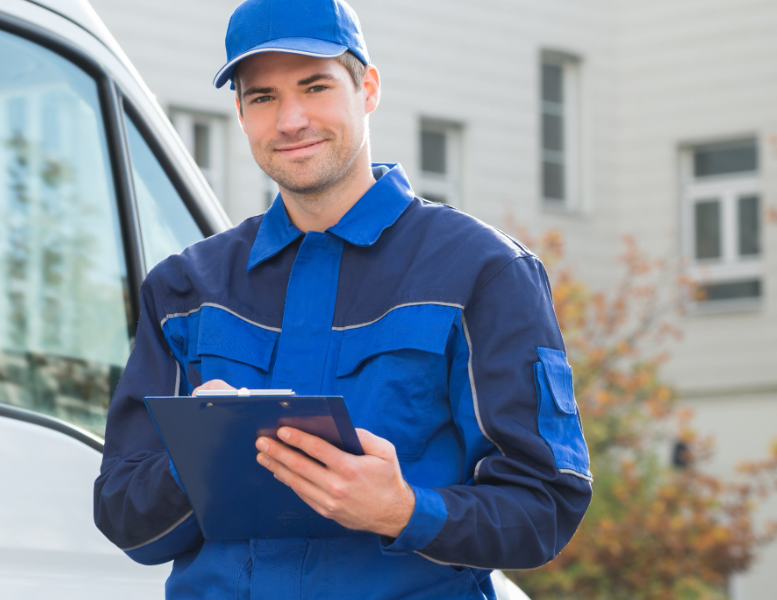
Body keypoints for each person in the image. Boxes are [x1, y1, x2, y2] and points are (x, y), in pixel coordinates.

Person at [94, 0, 593, 597]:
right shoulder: (186, 288)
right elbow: (126, 523)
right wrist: (200, 454)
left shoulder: (482, 272)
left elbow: (545, 507)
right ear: (241, 112)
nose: (291, 119)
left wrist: (403, 510)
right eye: (263, 97)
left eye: (315, 85)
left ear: (368, 88)